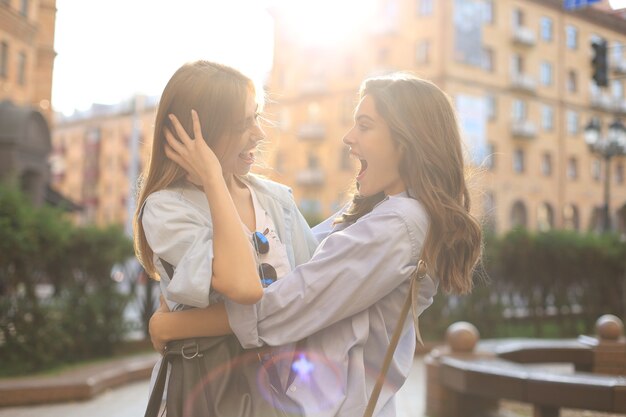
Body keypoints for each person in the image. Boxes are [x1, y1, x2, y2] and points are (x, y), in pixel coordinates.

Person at [151, 72, 482, 417]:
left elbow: (292, 302)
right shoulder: (384, 212)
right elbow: (296, 259)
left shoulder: (401, 223)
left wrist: (175, 325)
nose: (348, 138)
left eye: (365, 126)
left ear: (407, 140)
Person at [133, 60, 318, 416]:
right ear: (198, 132)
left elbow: (312, 295)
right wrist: (215, 180)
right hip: (207, 396)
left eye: (257, 117)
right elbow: (244, 288)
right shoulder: (166, 208)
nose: (259, 134)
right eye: (243, 123)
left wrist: (173, 324)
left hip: (282, 398)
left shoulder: (276, 199)